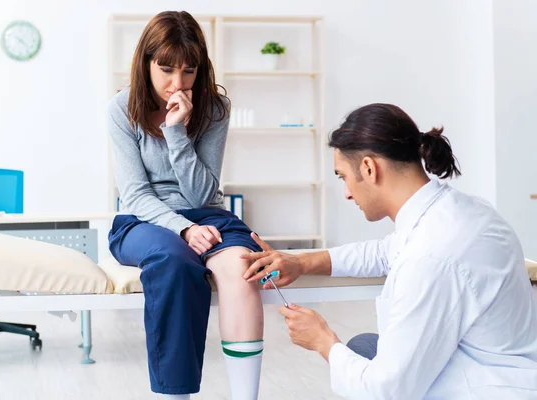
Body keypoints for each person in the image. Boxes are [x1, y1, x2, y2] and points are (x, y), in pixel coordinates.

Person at [242, 103, 537, 399]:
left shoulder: (432, 256)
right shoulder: (458, 212)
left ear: (369, 168)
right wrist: (302, 262)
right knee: (365, 348)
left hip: (484, 388)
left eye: (343, 176)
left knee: (358, 359)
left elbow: (387, 391)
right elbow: (383, 252)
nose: (346, 192)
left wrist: (322, 341)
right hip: (506, 369)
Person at [107, 11, 265, 400]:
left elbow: (201, 194)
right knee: (174, 260)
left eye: (189, 72)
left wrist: (176, 132)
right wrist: (183, 229)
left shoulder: (214, 110)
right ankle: (175, 394)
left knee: (241, 268)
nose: (177, 84)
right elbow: (136, 194)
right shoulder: (121, 108)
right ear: (145, 63)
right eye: (166, 70)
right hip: (143, 220)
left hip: (207, 213)